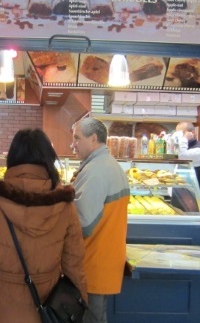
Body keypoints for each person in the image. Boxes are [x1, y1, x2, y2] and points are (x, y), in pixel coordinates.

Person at [0, 128, 87, 323]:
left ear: (13, 158)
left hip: (2, 308)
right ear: (48, 158)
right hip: (49, 310)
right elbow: (74, 265)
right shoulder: (64, 205)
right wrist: (79, 304)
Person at [71, 117, 130, 323]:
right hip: (103, 259)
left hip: (93, 261)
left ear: (93, 138)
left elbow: (83, 223)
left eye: (77, 138)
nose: (73, 144)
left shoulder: (97, 171)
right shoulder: (106, 165)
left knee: (91, 318)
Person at [175, 122, 200, 190]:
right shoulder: (182, 147)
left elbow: (182, 156)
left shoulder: (199, 150)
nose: (180, 137)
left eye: (183, 133)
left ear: (192, 133)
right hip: (182, 189)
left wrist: (184, 139)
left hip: (195, 191)